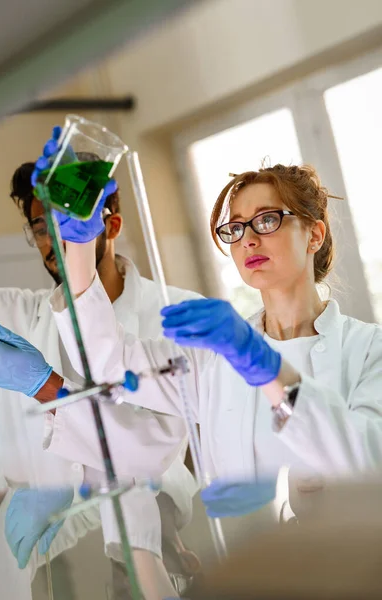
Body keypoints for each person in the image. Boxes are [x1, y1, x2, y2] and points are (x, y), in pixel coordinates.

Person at [48, 159, 382, 521]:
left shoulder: (368, 350)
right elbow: (108, 362)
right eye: (235, 228)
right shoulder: (212, 358)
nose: (248, 239)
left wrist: (262, 363)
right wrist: (80, 246)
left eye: (267, 219)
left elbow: (366, 461)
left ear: (314, 235)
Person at [0, 142, 202, 599]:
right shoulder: (20, 315)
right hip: (41, 560)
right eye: (40, 228)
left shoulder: (180, 314)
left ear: (110, 222)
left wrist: (76, 495)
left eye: (64, 223)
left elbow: (158, 451)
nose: (51, 241)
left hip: (147, 543)